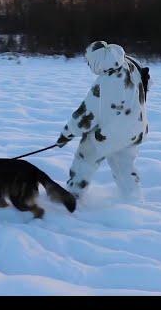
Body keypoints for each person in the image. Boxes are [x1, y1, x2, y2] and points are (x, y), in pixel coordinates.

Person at [56, 41, 150, 201]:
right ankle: (133, 200)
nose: (88, 65)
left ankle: (72, 196)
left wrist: (67, 134)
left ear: (97, 60)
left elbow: (86, 114)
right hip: (134, 129)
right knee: (123, 167)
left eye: (89, 62)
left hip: (110, 135)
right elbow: (145, 77)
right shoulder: (129, 63)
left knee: (85, 158)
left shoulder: (105, 82)